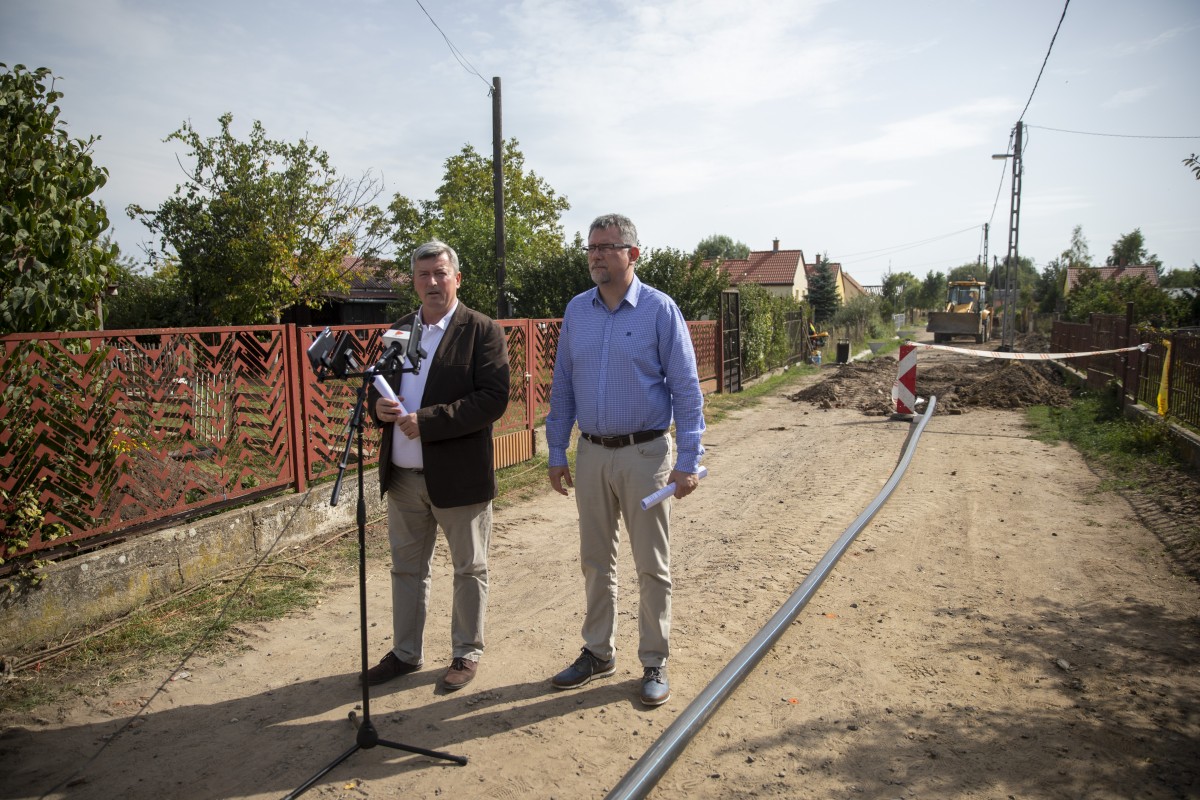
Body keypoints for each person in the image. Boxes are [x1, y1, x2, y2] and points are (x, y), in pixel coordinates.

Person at [545, 213, 706, 707]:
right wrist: (557, 450)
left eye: (606, 247)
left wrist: (689, 459)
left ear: (633, 254)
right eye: (591, 247)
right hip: (592, 453)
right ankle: (598, 652)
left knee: (651, 564)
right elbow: (563, 385)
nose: (595, 255)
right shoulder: (578, 310)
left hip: (646, 455)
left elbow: (686, 388)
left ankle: (654, 659)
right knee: (596, 560)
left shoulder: (659, 309)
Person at [365, 239, 510, 692]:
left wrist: (427, 422)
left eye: (440, 273)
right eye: (423, 274)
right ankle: (406, 652)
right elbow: (377, 386)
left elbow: (493, 399)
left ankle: (466, 652)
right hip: (403, 479)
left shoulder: (481, 330)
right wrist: (376, 408)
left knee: (469, 568)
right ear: (414, 281)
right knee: (407, 570)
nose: (432, 282)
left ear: (456, 278)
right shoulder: (399, 330)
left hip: (459, 477)